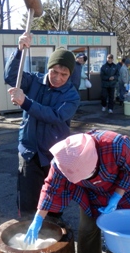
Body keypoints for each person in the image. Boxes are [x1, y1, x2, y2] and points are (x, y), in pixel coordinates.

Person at [23, 130, 130, 253]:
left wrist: (117, 197)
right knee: (87, 227)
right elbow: (51, 188)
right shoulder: (62, 160)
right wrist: (38, 218)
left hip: (126, 191)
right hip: (92, 194)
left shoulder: (116, 145)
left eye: (88, 174)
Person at [4, 32, 80, 221]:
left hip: (55, 154)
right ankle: (28, 231)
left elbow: (54, 116)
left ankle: (54, 230)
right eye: (54, 71)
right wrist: (19, 50)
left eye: (64, 74)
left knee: (54, 199)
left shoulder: (71, 96)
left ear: (70, 74)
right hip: (29, 150)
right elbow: (11, 76)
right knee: (28, 200)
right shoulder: (34, 81)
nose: (58, 77)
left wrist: (25, 102)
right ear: (49, 68)